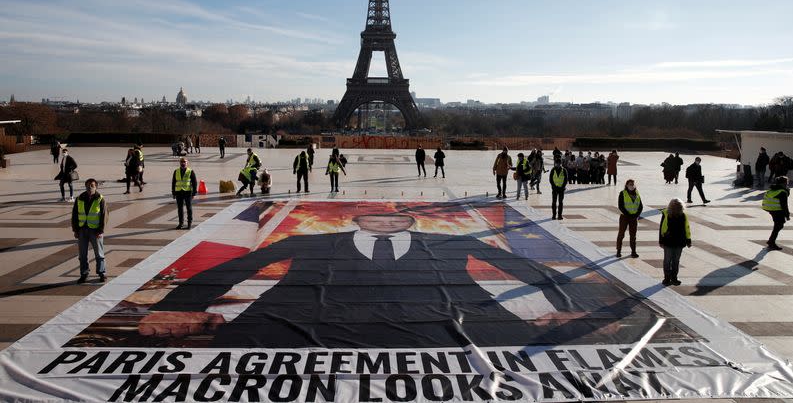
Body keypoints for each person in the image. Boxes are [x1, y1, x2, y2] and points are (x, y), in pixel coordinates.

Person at [138, 213, 646, 348]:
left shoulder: (454, 243)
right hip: (290, 325)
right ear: (357, 221)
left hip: (462, 326)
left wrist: (579, 303)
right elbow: (234, 269)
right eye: (375, 220)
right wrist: (182, 303)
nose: (386, 223)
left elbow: (528, 270)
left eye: (395, 220)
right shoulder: (308, 244)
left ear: (409, 223)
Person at [71, 178, 108, 283]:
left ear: (96, 187)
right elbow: (74, 215)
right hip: (82, 230)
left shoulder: (100, 199)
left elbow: (104, 216)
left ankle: (102, 273)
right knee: (82, 255)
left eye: (92, 185)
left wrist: (101, 230)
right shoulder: (79, 198)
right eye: (88, 185)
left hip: (95, 231)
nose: (90, 187)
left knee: (99, 253)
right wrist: (75, 230)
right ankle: (84, 273)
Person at [658, 199, 692, 286]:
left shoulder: (683, 215)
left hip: (679, 241)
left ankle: (674, 278)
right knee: (668, 260)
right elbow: (662, 228)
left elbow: (686, 228)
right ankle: (667, 278)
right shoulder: (666, 214)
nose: (675, 207)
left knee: (675, 261)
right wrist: (661, 240)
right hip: (668, 241)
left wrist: (688, 240)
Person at [616, 179, 643, 258]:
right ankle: (618, 251)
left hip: (634, 218)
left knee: (633, 235)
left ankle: (633, 251)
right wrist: (628, 214)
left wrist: (637, 215)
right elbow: (620, 206)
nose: (631, 186)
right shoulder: (622, 193)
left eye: (633, 184)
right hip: (624, 217)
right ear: (627, 185)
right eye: (630, 184)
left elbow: (640, 206)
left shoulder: (637, 193)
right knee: (621, 234)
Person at [762, 176, 790, 250]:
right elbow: (784, 205)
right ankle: (771, 242)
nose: (787, 184)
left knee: (778, 225)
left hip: (770, 209)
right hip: (776, 210)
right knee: (779, 225)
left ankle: (771, 241)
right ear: (783, 183)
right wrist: (787, 215)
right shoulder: (782, 192)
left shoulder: (774, 189)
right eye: (786, 183)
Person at [172, 158, 198, 230]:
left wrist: (194, 193)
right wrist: (173, 192)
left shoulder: (190, 171)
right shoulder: (176, 171)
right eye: (181, 162)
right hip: (178, 192)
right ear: (180, 163)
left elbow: (195, 182)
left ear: (187, 163)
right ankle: (181, 223)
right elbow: (173, 182)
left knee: (189, 208)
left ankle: (189, 223)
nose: (183, 163)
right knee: (180, 209)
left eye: (184, 162)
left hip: (187, 192)